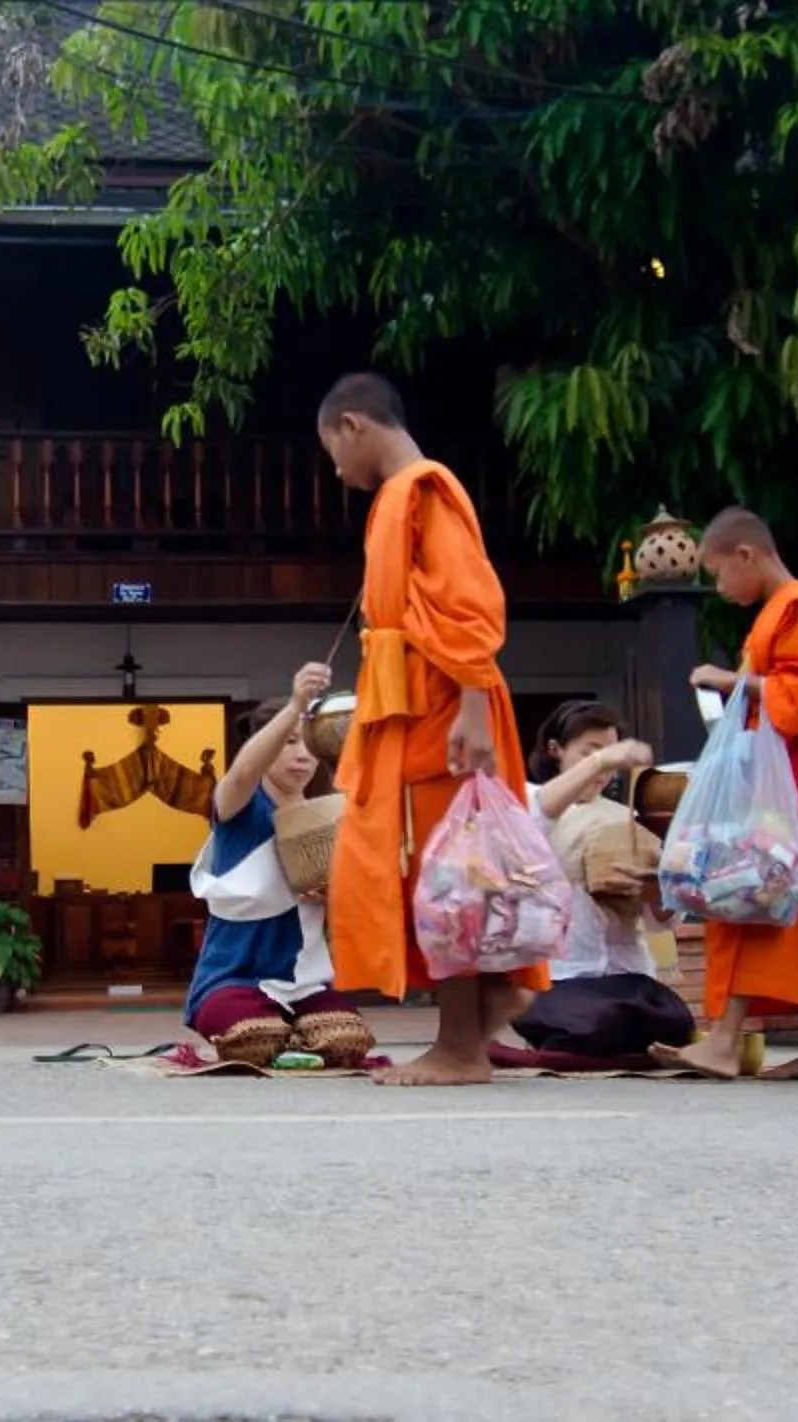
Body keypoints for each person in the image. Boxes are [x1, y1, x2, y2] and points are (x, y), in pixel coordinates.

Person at [317, 372, 543, 1087]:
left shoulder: (424, 488)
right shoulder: (395, 499)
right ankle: (474, 1023)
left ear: (354, 424)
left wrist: (473, 706)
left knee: (454, 875)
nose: (336, 469)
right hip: (411, 703)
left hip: (447, 703)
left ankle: (460, 1048)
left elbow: (467, 601)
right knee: (419, 869)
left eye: (332, 450)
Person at [652, 508, 798, 1081]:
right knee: (774, 895)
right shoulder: (778, 612)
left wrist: (731, 682)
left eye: (722, 573)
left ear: (747, 555)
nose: (722, 589)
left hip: (797, 775)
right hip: (776, 771)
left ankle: (726, 1043)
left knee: (764, 889)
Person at [184, 663, 377, 1068]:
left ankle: (295, 1035)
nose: (301, 755)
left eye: (307, 743)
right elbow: (244, 771)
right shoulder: (241, 804)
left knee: (345, 1042)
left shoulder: (328, 813)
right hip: (234, 978)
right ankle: (282, 1035)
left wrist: (334, 894)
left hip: (303, 980)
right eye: (288, 742)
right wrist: (296, 705)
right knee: (254, 1041)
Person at [492, 701, 696, 1070]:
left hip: (627, 978)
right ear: (556, 749)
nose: (604, 768)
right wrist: (604, 760)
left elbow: (661, 920)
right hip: (558, 979)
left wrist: (649, 888)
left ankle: (593, 1045)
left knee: (676, 1021)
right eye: (591, 751)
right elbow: (533, 822)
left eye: (611, 757)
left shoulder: (626, 819)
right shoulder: (525, 800)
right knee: (595, 1022)